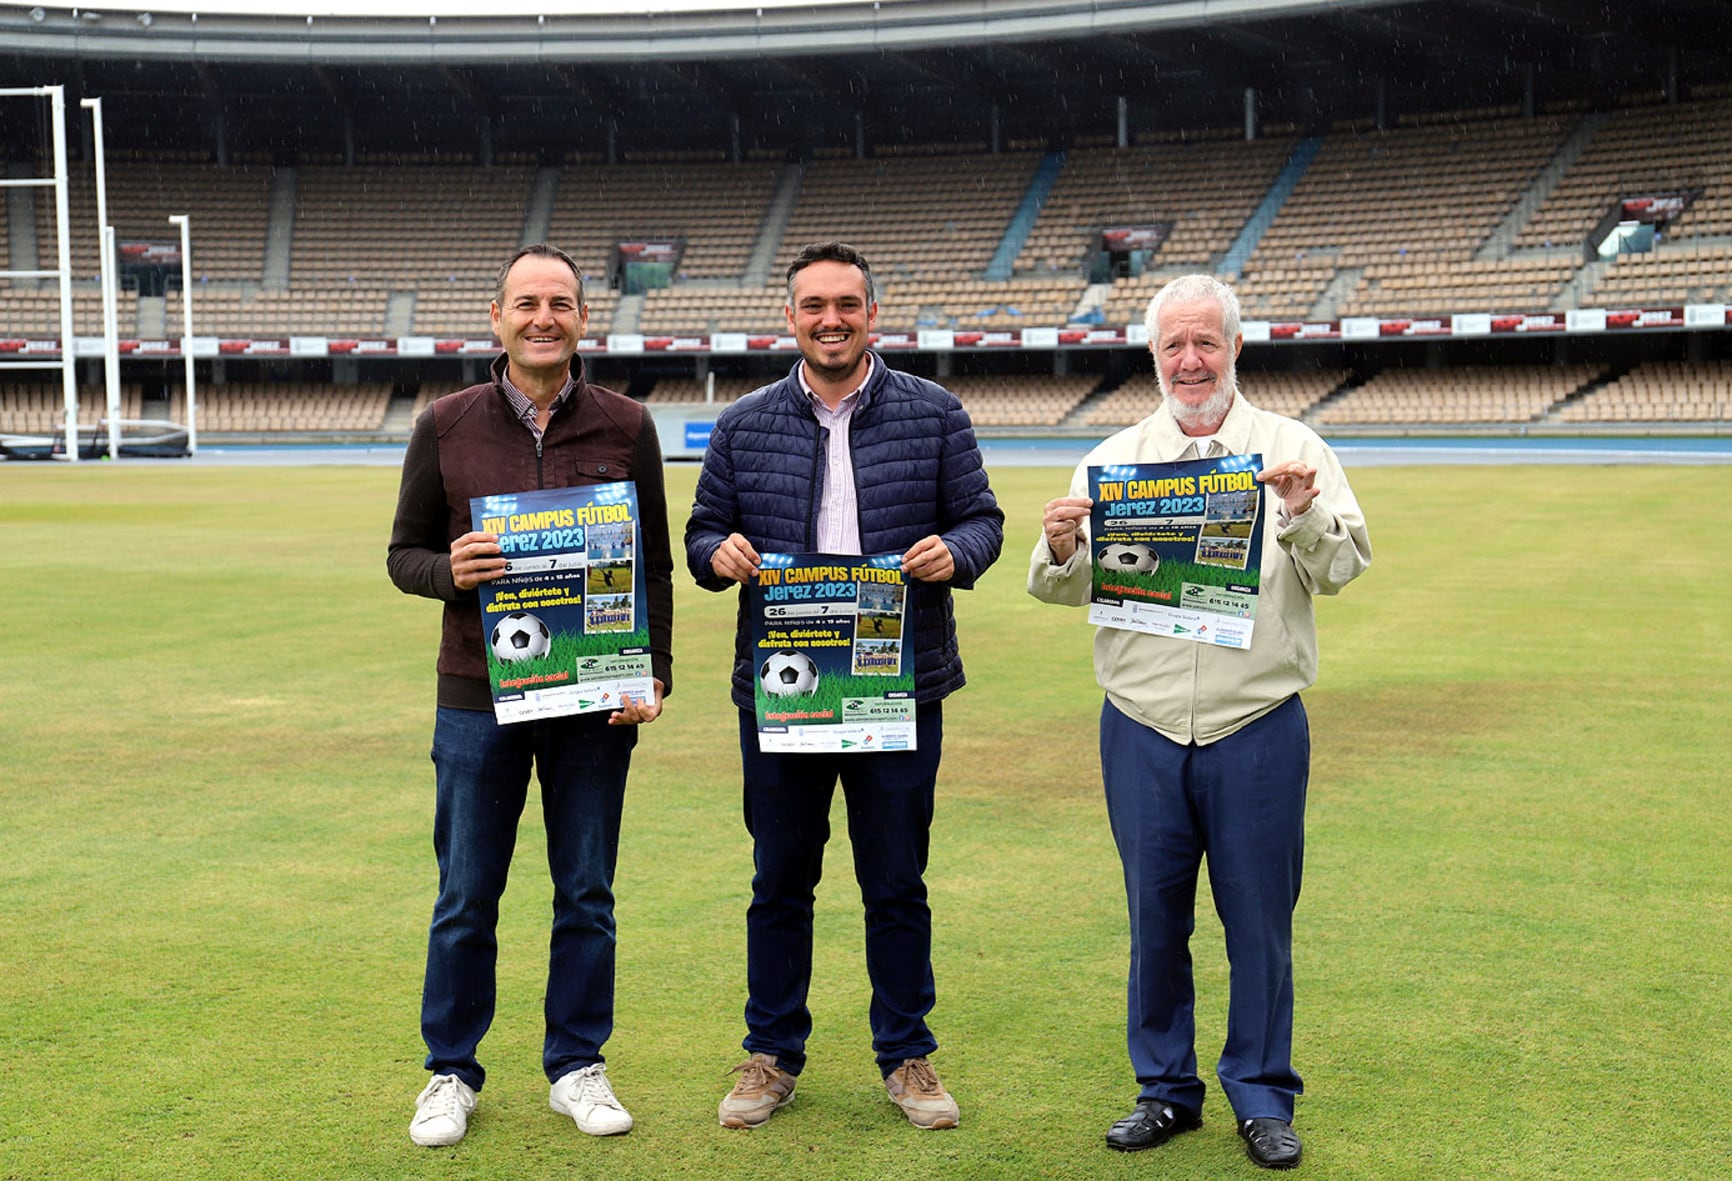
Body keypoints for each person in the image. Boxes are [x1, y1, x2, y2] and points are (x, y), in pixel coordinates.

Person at [1027, 274, 1370, 1170]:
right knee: (1154, 920)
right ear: (1153, 355)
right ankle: (1165, 1090)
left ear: (1235, 349)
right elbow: (1062, 583)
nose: (1190, 361)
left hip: (1256, 721)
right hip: (1140, 724)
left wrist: (1301, 511)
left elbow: (1342, 569)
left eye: (1205, 343)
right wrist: (1061, 545)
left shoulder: (1293, 448)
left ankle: (1261, 1094)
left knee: (1260, 923)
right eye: (1173, 345)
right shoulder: (1113, 459)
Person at [685, 241, 1004, 1132]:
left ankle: (906, 1055)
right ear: (790, 317)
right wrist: (717, 553)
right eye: (815, 305)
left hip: (895, 686)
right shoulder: (744, 422)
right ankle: (771, 1054)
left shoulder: (935, 412)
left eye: (847, 304)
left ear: (872, 314)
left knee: (895, 880)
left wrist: (956, 552)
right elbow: (703, 532)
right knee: (780, 879)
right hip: (783, 688)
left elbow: (982, 520)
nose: (832, 320)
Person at [387, 243, 674, 1147]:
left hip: (593, 696)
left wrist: (654, 671)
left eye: (560, 303)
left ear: (583, 317)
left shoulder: (628, 424)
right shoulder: (444, 423)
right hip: (477, 697)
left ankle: (577, 1064)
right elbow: (402, 555)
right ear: (498, 316)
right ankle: (450, 1071)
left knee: (586, 891)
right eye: (526, 302)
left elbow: (655, 565)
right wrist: (451, 570)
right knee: (466, 893)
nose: (542, 317)